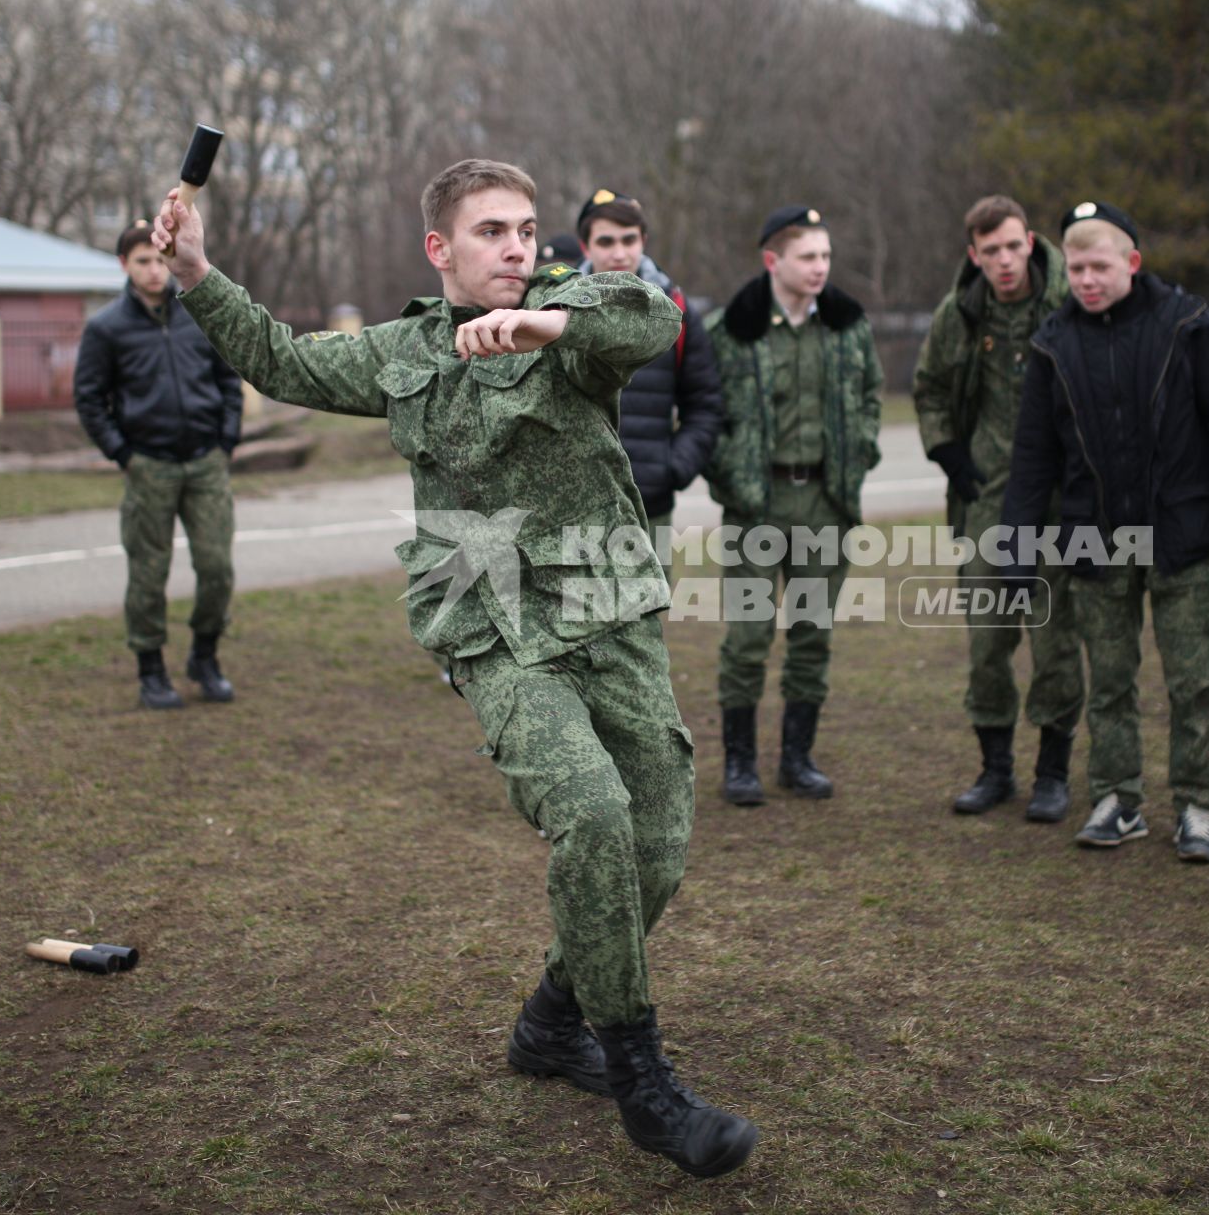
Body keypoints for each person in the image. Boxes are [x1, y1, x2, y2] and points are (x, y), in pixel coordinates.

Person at [150, 158, 758, 1177]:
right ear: (442, 248)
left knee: (657, 842)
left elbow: (650, 318)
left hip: (607, 612)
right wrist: (203, 272)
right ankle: (644, 1081)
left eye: (525, 229)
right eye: (493, 232)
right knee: (594, 814)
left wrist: (544, 326)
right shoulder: (404, 351)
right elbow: (285, 363)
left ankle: (553, 1019)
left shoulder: (567, 322)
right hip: (495, 621)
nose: (518, 248)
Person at [1002, 201, 1209, 862]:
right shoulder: (1052, 344)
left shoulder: (1188, 324)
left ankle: (1199, 806)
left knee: (1192, 680)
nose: (1087, 280)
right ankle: (1117, 799)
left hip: (1181, 532)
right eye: (1077, 268)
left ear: (1133, 262)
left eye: (1100, 266)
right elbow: (1033, 458)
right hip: (1096, 540)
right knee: (1110, 681)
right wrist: (1015, 549)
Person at [704, 205, 884, 806]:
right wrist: (730, 475)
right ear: (772, 261)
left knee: (812, 633)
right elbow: (708, 412)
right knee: (749, 635)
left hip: (825, 503)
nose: (820, 268)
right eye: (808, 256)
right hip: (757, 503)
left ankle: (798, 759)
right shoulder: (732, 329)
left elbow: (869, 396)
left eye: (826, 257)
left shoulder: (847, 325)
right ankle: (740, 763)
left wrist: (859, 453)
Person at [912, 195, 1084, 822]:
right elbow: (928, 387)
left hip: (1059, 500)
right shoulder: (960, 314)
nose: (1006, 261)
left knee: (1055, 640)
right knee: (988, 640)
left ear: (1031, 241)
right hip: (986, 497)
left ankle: (1053, 774)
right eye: (992, 252)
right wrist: (949, 451)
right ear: (973, 255)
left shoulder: (1068, 305)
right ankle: (995, 770)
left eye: (1014, 247)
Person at [75, 221, 243, 710]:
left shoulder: (199, 315)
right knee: (149, 572)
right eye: (142, 261)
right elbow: (89, 399)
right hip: (149, 465)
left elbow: (228, 380)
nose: (154, 270)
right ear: (123, 265)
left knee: (217, 568)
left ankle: (205, 658)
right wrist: (123, 453)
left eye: (159, 259)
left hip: (206, 463)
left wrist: (225, 440)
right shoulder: (106, 328)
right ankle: (151, 670)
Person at [575, 188, 723, 581]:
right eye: (606, 241)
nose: (619, 253)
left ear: (643, 242)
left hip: (648, 505)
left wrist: (672, 468)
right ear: (585, 246)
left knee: (645, 629)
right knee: (575, 627)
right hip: (570, 509)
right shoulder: (555, 308)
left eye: (629, 240)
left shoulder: (674, 307)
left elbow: (705, 403)